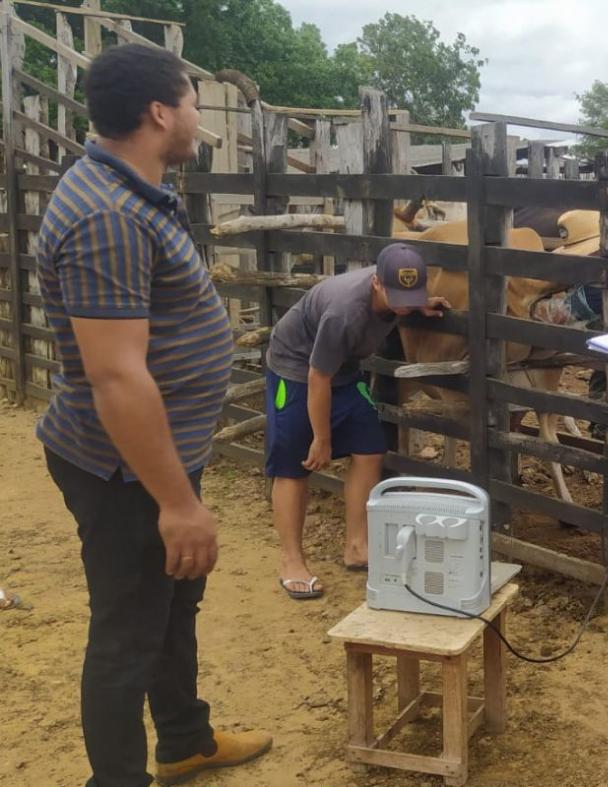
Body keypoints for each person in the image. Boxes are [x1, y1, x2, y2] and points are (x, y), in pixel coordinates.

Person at [35, 44, 272, 786]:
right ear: (160, 112)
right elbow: (115, 375)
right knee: (126, 633)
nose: (200, 118)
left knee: (170, 603)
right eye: (195, 102)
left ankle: (184, 739)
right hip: (123, 465)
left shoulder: (128, 192)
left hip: (154, 452)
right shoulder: (106, 213)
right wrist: (175, 500)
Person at [264, 244, 449, 599]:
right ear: (377, 283)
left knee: (370, 447)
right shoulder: (344, 312)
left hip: (344, 370)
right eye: (398, 296)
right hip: (298, 369)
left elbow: (401, 304)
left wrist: (419, 305)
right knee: (293, 464)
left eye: (412, 296)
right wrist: (322, 438)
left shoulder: (400, 297)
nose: (404, 304)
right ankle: (291, 561)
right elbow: (318, 377)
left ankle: (356, 545)